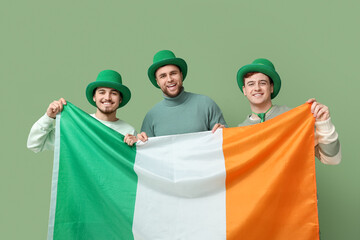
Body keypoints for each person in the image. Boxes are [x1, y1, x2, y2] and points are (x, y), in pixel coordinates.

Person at [236, 58, 341, 164]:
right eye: (251, 84)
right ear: (245, 90)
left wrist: (324, 123)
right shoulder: (239, 131)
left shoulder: (293, 118)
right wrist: (219, 138)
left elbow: (333, 159)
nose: (257, 88)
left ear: (271, 87)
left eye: (262, 83)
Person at [27, 70, 138, 152]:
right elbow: (34, 144)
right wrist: (49, 117)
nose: (107, 97)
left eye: (113, 93)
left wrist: (136, 145)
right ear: (94, 97)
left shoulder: (128, 131)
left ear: (120, 99)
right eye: (102, 92)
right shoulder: (78, 126)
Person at [138, 50, 227, 141]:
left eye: (173, 73)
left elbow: (225, 143)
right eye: (163, 76)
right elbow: (147, 153)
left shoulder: (206, 104)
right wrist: (139, 142)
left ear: (181, 75)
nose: (169, 79)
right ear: (157, 81)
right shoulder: (151, 116)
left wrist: (223, 132)